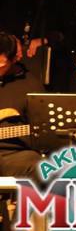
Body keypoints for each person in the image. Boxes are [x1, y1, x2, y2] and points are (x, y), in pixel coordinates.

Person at [0, 0, 67, 89]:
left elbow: (69, 32)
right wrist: (11, 40)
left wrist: (45, 39)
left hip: (51, 68)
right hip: (16, 68)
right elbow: (4, 27)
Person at [0, 32, 43, 179]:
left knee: (37, 165)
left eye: (1, 65)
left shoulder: (31, 86)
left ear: (14, 59)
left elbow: (41, 133)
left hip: (11, 155)